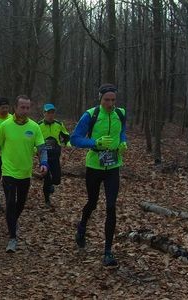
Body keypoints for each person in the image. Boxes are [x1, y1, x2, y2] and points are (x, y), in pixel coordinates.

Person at [70, 83, 128, 268]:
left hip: (113, 167)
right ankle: (82, 226)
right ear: (100, 98)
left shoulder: (121, 113)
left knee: (111, 206)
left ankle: (108, 252)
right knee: (93, 203)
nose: (110, 104)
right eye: (106, 100)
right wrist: (95, 142)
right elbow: (75, 138)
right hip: (94, 166)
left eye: (113, 100)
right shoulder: (90, 115)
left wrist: (123, 143)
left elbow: (122, 132)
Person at [0, 95, 47, 253]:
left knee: (20, 204)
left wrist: (44, 163)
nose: (25, 110)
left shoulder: (34, 127)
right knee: (11, 204)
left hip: (25, 173)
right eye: (22, 107)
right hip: (8, 172)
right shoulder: (5, 126)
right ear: (16, 108)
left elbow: (41, 148)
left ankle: (13, 221)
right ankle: (12, 238)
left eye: (28, 108)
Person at [37, 103, 70, 208]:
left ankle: (51, 184)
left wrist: (68, 143)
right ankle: (47, 200)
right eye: (48, 112)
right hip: (44, 156)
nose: (51, 115)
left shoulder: (59, 124)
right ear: (44, 113)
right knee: (46, 179)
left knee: (57, 180)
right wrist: (34, 148)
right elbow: (33, 140)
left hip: (55, 155)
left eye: (52, 112)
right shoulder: (38, 125)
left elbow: (66, 136)